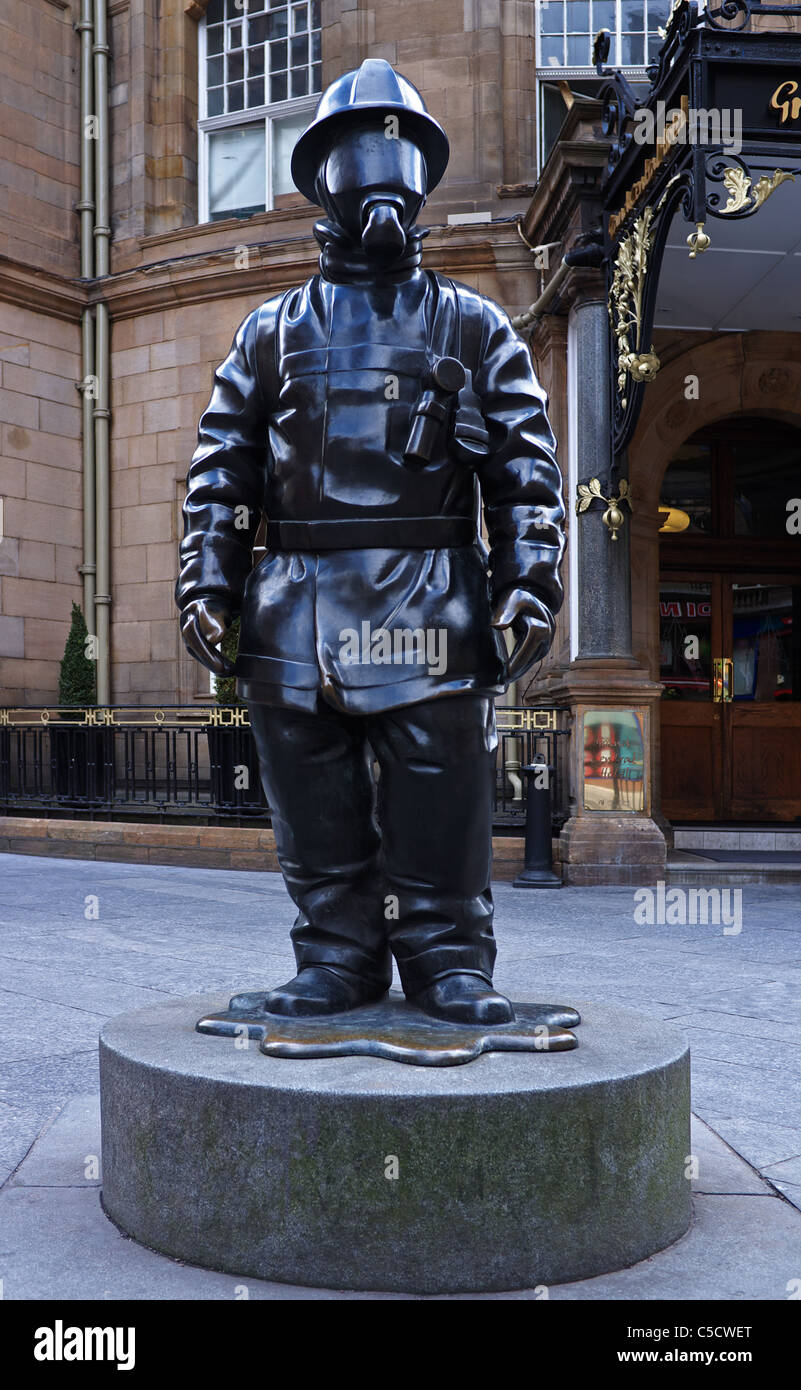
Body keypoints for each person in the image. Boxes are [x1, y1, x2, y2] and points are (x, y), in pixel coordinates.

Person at [176, 60, 565, 1024]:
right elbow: (222, 470)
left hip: (431, 590)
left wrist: (530, 581)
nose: (378, 187)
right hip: (295, 597)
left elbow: (525, 470)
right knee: (312, 796)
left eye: (396, 162)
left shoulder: (472, 326)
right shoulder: (270, 333)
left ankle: (448, 956)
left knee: (441, 791)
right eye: (359, 162)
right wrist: (208, 583)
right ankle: (337, 953)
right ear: (325, 180)